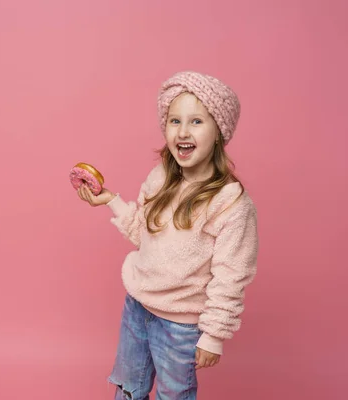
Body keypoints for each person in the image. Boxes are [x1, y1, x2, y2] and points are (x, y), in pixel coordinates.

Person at [76, 71, 259, 400]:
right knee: (128, 389)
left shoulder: (231, 203)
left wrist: (213, 334)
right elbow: (145, 237)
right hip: (137, 308)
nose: (183, 131)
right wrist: (113, 201)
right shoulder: (160, 178)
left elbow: (232, 274)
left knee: (173, 395)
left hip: (181, 326)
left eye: (196, 122)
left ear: (219, 131)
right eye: (175, 121)